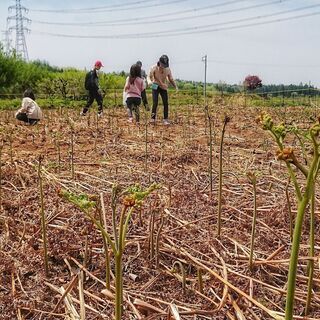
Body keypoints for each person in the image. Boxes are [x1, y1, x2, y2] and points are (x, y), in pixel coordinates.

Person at [148, 54, 178, 125]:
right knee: (155, 102)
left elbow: (171, 79)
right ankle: (152, 118)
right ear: (159, 62)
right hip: (155, 85)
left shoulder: (167, 69)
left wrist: (175, 86)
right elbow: (148, 76)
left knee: (165, 102)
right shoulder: (153, 67)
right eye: (163, 65)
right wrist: (149, 82)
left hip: (163, 86)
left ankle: (165, 119)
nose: (164, 67)